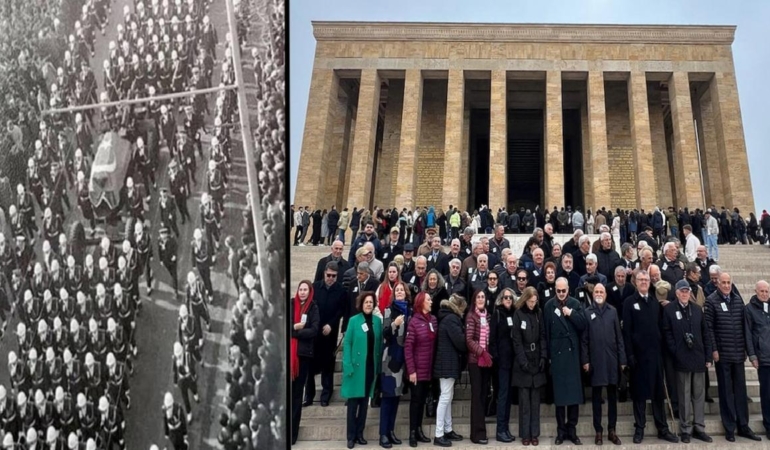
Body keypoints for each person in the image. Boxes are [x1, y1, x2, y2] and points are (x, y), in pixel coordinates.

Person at [622, 270, 679, 444]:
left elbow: (660, 329)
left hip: (655, 356)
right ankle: (639, 428)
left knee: (657, 394)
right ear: (635, 282)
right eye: (641, 280)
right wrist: (630, 354)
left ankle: (662, 428)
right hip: (638, 357)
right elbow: (627, 332)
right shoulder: (629, 302)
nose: (644, 282)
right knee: (639, 395)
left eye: (646, 280)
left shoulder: (655, 302)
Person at [704, 272, 761, 441]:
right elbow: (709, 328)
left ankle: (743, 425)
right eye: (724, 282)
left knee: (741, 391)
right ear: (718, 283)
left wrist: (746, 349)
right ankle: (730, 427)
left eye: (729, 282)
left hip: (738, 354)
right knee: (726, 392)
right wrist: (714, 350)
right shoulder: (711, 301)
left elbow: (744, 327)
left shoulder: (737, 300)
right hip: (723, 355)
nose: (727, 285)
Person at [662, 280, 714, 443]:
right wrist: (675, 351)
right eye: (682, 291)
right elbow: (666, 332)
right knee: (683, 395)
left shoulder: (698, 310)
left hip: (698, 357)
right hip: (681, 358)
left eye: (687, 291)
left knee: (698, 395)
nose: (685, 294)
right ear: (677, 293)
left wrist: (708, 356)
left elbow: (706, 334)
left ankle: (699, 427)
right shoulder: (669, 309)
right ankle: (686, 428)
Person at [543, 277, 587, 445]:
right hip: (557, 354)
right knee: (560, 398)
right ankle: (561, 431)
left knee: (574, 396)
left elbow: (583, 325)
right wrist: (548, 357)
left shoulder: (575, 304)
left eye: (564, 291)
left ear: (568, 289)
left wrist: (571, 314)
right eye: (558, 291)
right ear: (555, 289)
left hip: (572, 355)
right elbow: (546, 332)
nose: (561, 294)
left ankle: (572, 430)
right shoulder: (549, 306)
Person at [581, 283, 625, 445]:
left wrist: (623, 360)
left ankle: (611, 430)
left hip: (612, 361)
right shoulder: (587, 312)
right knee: (597, 398)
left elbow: (619, 338)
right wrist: (585, 360)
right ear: (593, 294)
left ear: (606, 294)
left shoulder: (613, 312)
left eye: (601, 291)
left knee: (612, 398)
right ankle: (598, 430)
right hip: (596, 362)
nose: (599, 293)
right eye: (597, 291)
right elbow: (584, 340)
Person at [341, 292, 383, 449]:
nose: (369, 305)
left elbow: (378, 344)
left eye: (371, 302)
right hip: (356, 368)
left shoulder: (377, 322)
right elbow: (348, 344)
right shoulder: (353, 321)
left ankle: (360, 433)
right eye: (366, 302)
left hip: (370, 367)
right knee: (353, 404)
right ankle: (350, 436)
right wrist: (347, 365)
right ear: (361, 304)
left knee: (365, 403)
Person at [306, 262, 346, 407]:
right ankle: (308, 396)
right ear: (324, 274)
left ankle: (325, 396)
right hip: (314, 332)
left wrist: (332, 324)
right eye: (328, 275)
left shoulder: (341, 291)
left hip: (330, 333)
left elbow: (341, 310)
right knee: (310, 366)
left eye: (334, 276)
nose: (330, 278)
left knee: (328, 366)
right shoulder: (315, 287)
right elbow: (309, 307)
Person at [511, 286, 546, 446]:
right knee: (525, 402)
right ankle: (525, 434)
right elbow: (516, 340)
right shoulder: (518, 314)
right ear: (525, 299)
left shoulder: (539, 313)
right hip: (523, 362)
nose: (532, 304)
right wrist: (522, 360)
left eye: (535, 301)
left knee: (535, 402)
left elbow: (543, 336)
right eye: (530, 301)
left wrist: (544, 356)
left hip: (536, 358)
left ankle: (534, 433)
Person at [379, 281, 412, 448]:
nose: (400, 292)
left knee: (397, 397)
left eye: (402, 290)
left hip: (402, 360)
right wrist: (395, 324)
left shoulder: (410, 311)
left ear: (406, 293)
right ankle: (383, 433)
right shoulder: (388, 311)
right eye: (397, 290)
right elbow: (385, 334)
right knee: (388, 397)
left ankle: (391, 431)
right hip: (389, 360)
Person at [432, 294, 467, 447]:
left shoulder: (445, 317)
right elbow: (460, 342)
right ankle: (439, 433)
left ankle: (447, 428)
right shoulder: (452, 319)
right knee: (445, 397)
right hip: (447, 362)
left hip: (446, 362)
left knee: (448, 396)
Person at [404, 292, 437, 447]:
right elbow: (408, 348)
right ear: (421, 302)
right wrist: (411, 370)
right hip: (416, 370)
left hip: (428, 369)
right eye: (428, 300)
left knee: (422, 401)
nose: (431, 302)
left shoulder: (433, 320)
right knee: (415, 401)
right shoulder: (414, 322)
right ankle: (412, 432)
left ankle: (419, 429)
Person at [290, 280, 320, 445]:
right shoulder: (291, 303)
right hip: (289, 355)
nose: (302, 292)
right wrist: (296, 327)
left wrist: (295, 332)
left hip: (303, 356)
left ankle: (293, 433)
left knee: (296, 396)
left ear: (310, 292)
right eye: (300, 289)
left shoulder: (313, 307)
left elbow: (314, 330)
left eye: (305, 290)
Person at [489, 288, 517, 443]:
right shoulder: (497, 314)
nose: (508, 299)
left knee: (508, 397)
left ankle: (505, 428)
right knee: (503, 395)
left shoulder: (514, 313)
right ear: (501, 299)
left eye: (510, 297)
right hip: (502, 363)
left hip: (513, 361)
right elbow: (492, 340)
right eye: (505, 297)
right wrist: (497, 358)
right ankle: (500, 430)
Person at [465, 290, 492, 445]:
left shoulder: (487, 316)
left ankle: (480, 430)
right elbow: (469, 340)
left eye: (483, 297)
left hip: (486, 361)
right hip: (475, 361)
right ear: (474, 300)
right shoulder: (471, 317)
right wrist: (481, 352)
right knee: (477, 397)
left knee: (483, 395)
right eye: (479, 297)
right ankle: (477, 433)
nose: (481, 299)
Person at [745, 280, 770, 438]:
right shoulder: (749, 309)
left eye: (767, 291)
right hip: (763, 358)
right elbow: (748, 334)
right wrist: (752, 356)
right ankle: (768, 425)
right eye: (762, 291)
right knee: (767, 394)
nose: (765, 294)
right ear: (756, 291)